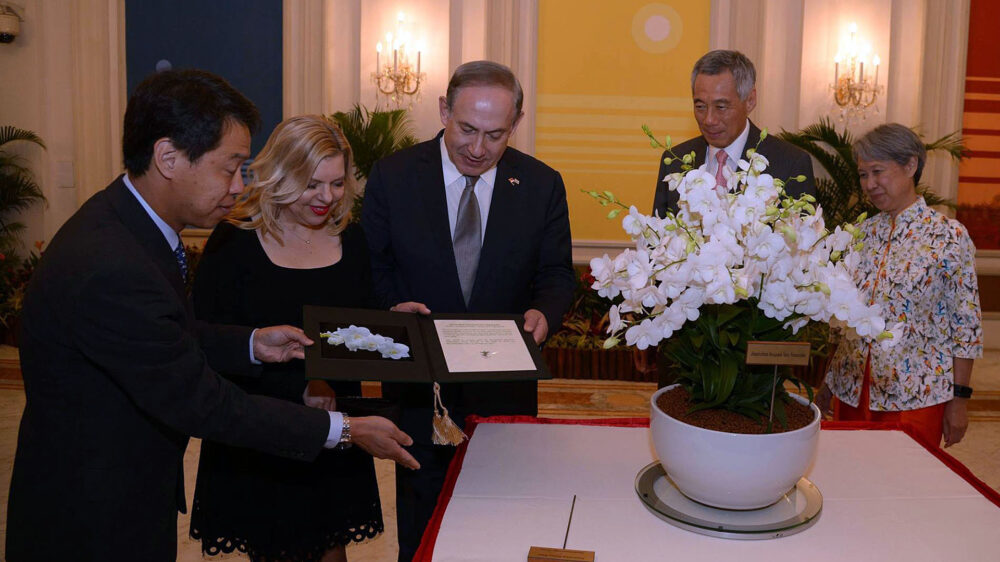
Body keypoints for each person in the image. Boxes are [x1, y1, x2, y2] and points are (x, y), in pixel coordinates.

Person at [6, 70, 417, 562]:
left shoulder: (124, 225)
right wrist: (345, 430)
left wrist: (249, 344)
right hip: (91, 517)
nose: (240, 184)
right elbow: (201, 400)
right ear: (168, 158)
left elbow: (165, 337)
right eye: (230, 167)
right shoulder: (113, 264)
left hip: (120, 492)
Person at [362, 60, 575, 560]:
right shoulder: (393, 177)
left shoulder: (541, 184)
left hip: (503, 387)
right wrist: (390, 308)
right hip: (419, 389)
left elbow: (557, 275)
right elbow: (373, 266)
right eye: (467, 129)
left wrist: (546, 312)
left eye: (495, 135)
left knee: (500, 516)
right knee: (421, 518)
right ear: (443, 110)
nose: (478, 149)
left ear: (516, 124)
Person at [188, 115, 383, 562]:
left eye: (337, 184)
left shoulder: (351, 239)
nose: (327, 198)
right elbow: (207, 341)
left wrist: (393, 321)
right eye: (313, 184)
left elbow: (358, 330)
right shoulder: (233, 240)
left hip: (335, 432)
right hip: (260, 433)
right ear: (280, 174)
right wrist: (301, 386)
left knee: (331, 547)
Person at [817, 123, 982, 448]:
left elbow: (966, 327)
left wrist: (960, 400)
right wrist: (829, 381)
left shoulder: (949, 236)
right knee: (855, 477)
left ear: (910, 165)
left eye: (878, 171)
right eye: (864, 175)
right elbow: (847, 317)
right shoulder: (862, 234)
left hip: (916, 394)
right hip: (853, 391)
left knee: (906, 486)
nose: (870, 184)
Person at [651, 49, 816, 217]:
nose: (709, 119)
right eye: (700, 106)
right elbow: (658, 239)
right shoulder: (675, 162)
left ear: (750, 101)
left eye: (721, 107)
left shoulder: (790, 164)